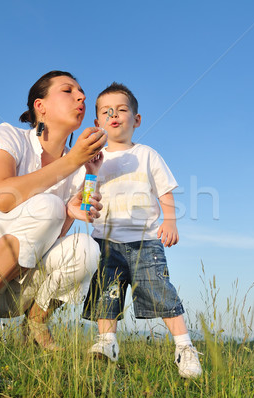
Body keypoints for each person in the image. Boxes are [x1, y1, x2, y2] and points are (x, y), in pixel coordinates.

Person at [0, 70, 107, 349]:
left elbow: (48, 240)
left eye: (82, 93)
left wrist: (80, 191)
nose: (81, 97)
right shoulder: (10, 136)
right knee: (49, 205)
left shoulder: (77, 167)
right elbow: (4, 197)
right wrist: (72, 164)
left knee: (86, 248)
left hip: (17, 290)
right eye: (68, 91)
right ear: (40, 107)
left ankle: (35, 323)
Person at [81, 83, 202, 378]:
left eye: (122, 110)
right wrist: (90, 173)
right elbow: (85, 206)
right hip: (105, 241)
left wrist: (170, 221)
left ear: (136, 119)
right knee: (105, 294)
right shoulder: (95, 160)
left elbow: (165, 191)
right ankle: (106, 342)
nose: (114, 115)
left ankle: (184, 347)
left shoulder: (147, 154)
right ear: (97, 122)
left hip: (145, 241)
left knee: (160, 291)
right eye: (107, 112)